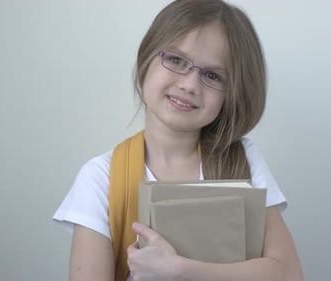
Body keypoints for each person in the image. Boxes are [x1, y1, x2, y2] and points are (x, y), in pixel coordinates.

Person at [53, 0, 303, 280]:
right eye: (175, 60)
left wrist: (180, 270)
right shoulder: (101, 178)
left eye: (212, 75)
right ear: (147, 56)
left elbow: (288, 273)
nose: (189, 85)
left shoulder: (243, 160)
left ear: (232, 92)